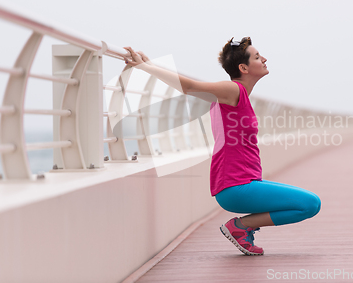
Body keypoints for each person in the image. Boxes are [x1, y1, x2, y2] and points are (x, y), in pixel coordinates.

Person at [123, 37, 321, 256]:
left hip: (244, 183)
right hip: (236, 187)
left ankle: (243, 228)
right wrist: (146, 67)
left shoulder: (238, 96)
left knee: (307, 201)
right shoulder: (232, 90)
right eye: (257, 57)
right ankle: (240, 227)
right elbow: (190, 87)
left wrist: (150, 65)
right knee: (310, 204)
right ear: (243, 68)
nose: (264, 59)